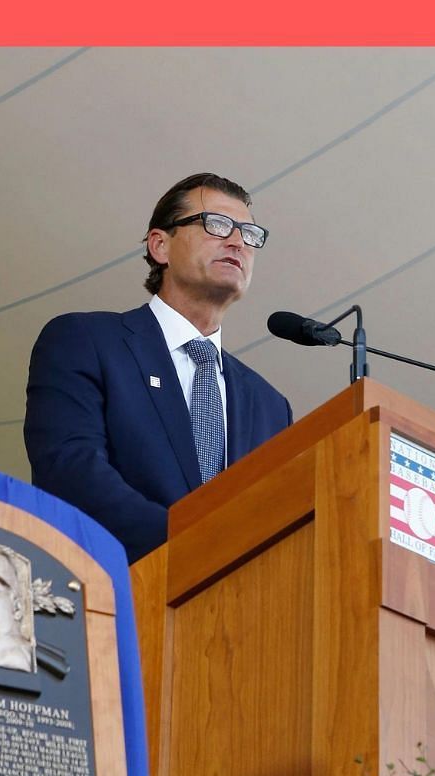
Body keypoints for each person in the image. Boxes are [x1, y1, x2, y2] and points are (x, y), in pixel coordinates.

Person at [24, 173, 293, 563]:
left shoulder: (270, 406)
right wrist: (193, 548)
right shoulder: (86, 340)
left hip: (236, 612)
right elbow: (70, 472)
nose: (237, 242)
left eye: (250, 234)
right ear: (160, 245)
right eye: (217, 225)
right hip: (118, 595)